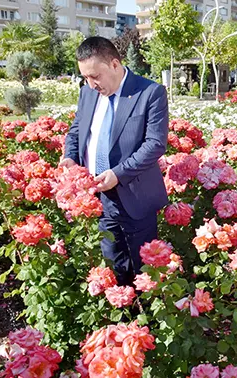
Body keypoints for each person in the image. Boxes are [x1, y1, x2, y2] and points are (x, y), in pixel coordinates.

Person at [60, 37, 169, 285]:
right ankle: (124, 317)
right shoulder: (87, 93)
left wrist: (118, 174)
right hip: (98, 197)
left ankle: (148, 320)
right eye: (85, 77)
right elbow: (77, 131)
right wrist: (70, 156)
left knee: (146, 271)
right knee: (113, 265)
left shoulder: (150, 93)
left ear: (115, 65)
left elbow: (154, 144)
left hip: (135, 196)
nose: (91, 83)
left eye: (95, 76)